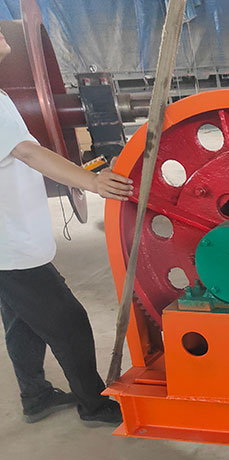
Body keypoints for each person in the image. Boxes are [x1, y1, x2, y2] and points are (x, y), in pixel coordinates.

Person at [0, 26, 134, 425]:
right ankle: (95, 405)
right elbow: (29, 152)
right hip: (10, 246)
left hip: (10, 241)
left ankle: (36, 396)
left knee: (21, 321)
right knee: (69, 322)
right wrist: (92, 181)